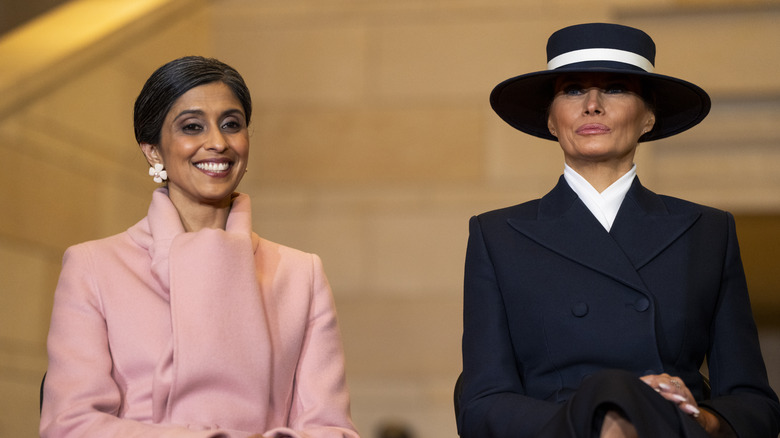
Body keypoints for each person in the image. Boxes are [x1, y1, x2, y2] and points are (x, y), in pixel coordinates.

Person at [457, 23, 780, 438]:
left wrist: (700, 416)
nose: (592, 105)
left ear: (649, 117)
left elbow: (755, 403)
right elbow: (481, 405)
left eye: (615, 88)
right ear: (552, 121)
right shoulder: (497, 235)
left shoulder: (709, 231)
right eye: (573, 90)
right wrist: (595, 419)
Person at [40, 56, 360, 438]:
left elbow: (332, 429)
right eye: (192, 127)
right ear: (153, 150)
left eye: (231, 124)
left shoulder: (300, 273)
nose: (218, 143)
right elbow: (72, 426)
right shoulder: (93, 267)